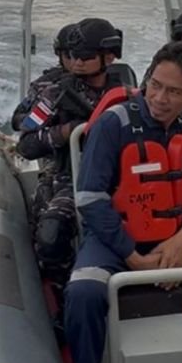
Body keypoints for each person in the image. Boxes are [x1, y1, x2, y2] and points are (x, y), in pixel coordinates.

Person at [64, 41, 182, 363]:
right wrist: (132, 257)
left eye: (173, 91)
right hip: (117, 235)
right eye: (154, 84)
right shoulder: (114, 125)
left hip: (178, 229)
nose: (158, 98)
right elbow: (90, 199)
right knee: (83, 293)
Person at [18, 18, 127, 281]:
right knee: (51, 234)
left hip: (123, 177)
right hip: (71, 178)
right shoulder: (54, 94)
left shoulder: (127, 92)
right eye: (74, 55)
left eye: (86, 55)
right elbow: (27, 143)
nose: (77, 62)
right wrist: (67, 131)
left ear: (109, 57)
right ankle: (60, 289)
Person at [11, 22, 79, 131]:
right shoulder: (46, 85)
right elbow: (19, 122)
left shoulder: (107, 81)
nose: (77, 61)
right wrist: (47, 117)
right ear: (59, 54)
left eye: (84, 54)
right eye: (69, 55)